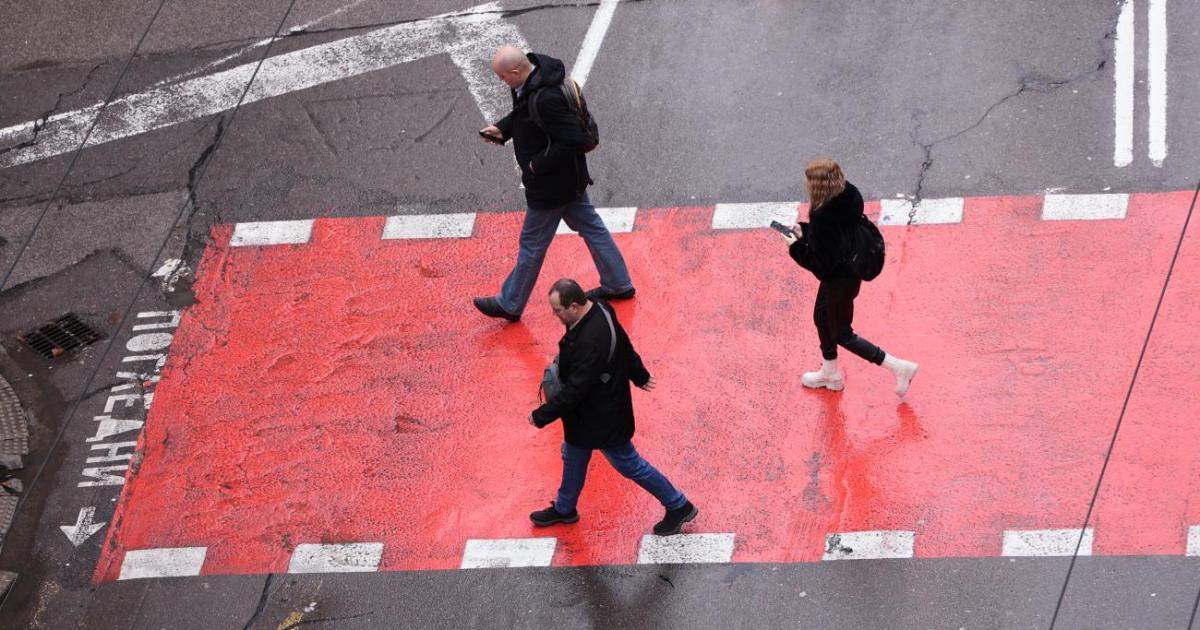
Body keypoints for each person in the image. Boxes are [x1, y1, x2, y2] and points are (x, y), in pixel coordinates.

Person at [473, 47, 635, 322]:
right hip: (570, 180)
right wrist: (503, 129)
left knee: (532, 244)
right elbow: (526, 116)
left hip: (552, 186)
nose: (502, 82)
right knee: (591, 227)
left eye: (503, 77)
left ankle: (510, 303)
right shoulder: (534, 78)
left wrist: (536, 166)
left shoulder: (546, 98)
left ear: (515, 72)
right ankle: (618, 284)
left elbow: (570, 139)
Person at [528, 278, 696, 536]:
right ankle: (564, 507)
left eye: (558, 310)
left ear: (573, 306)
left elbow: (576, 389)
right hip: (591, 414)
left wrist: (541, 415)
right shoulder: (600, 307)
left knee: (629, 464)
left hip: (601, 417)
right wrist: (639, 374)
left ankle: (678, 505)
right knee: (572, 455)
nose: (555, 315)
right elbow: (624, 344)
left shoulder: (589, 342)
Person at [782, 159, 919, 396]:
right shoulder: (848, 194)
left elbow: (821, 265)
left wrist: (795, 247)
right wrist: (806, 231)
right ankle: (830, 372)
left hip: (839, 279)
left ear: (818, 186)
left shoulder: (824, 216)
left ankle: (898, 367)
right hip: (850, 267)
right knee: (822, 317)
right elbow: (838, 236)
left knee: (842, 333)